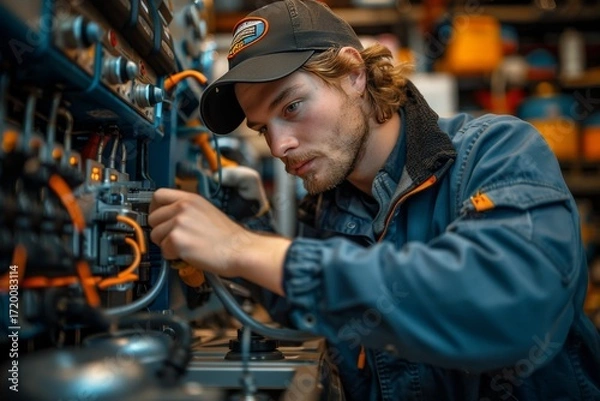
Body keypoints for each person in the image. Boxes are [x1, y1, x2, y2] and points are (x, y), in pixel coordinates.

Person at [148, 0, 600, 399]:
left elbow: (510, 304)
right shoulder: (330, 208)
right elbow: (316, 307)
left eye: (291, 107)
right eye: (263, 127)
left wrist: (243, 247)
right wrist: (252, 226)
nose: (278, 145)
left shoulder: (496, 151)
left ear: (353, 73)